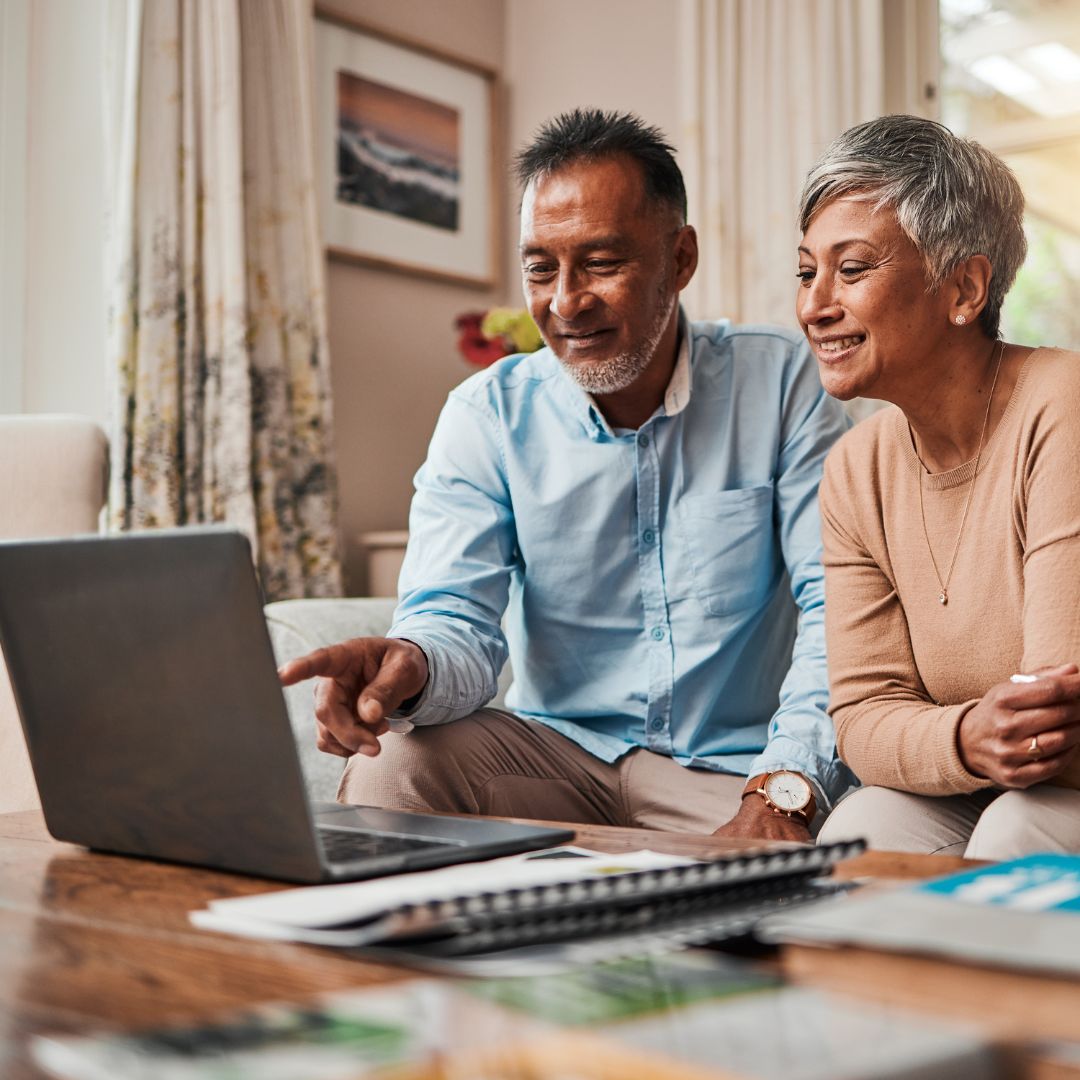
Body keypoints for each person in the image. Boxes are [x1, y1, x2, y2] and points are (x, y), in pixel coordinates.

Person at [279, 108, 851, 841]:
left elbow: (840, 611)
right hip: (556, 760)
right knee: (395, 764)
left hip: (734, 772)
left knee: (854, 843)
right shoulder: (486, 415)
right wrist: (409, 662)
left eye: (603, 263)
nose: (566, 302)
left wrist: (783, 791)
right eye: (540, 268)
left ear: (680, 260)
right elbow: (455, 618)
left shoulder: (780, 384)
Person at [799, 114, 1080, 859]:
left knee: (1018, 827)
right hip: (984, 784)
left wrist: (960, 736)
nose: (815, 305)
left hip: (1061, 785)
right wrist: (962, 737)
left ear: (963, 288)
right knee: (862, 833)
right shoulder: (855, 469)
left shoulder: (1063, 402)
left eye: (851, 269)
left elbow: (1054, 717)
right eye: (806, 271)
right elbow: (861, 717)